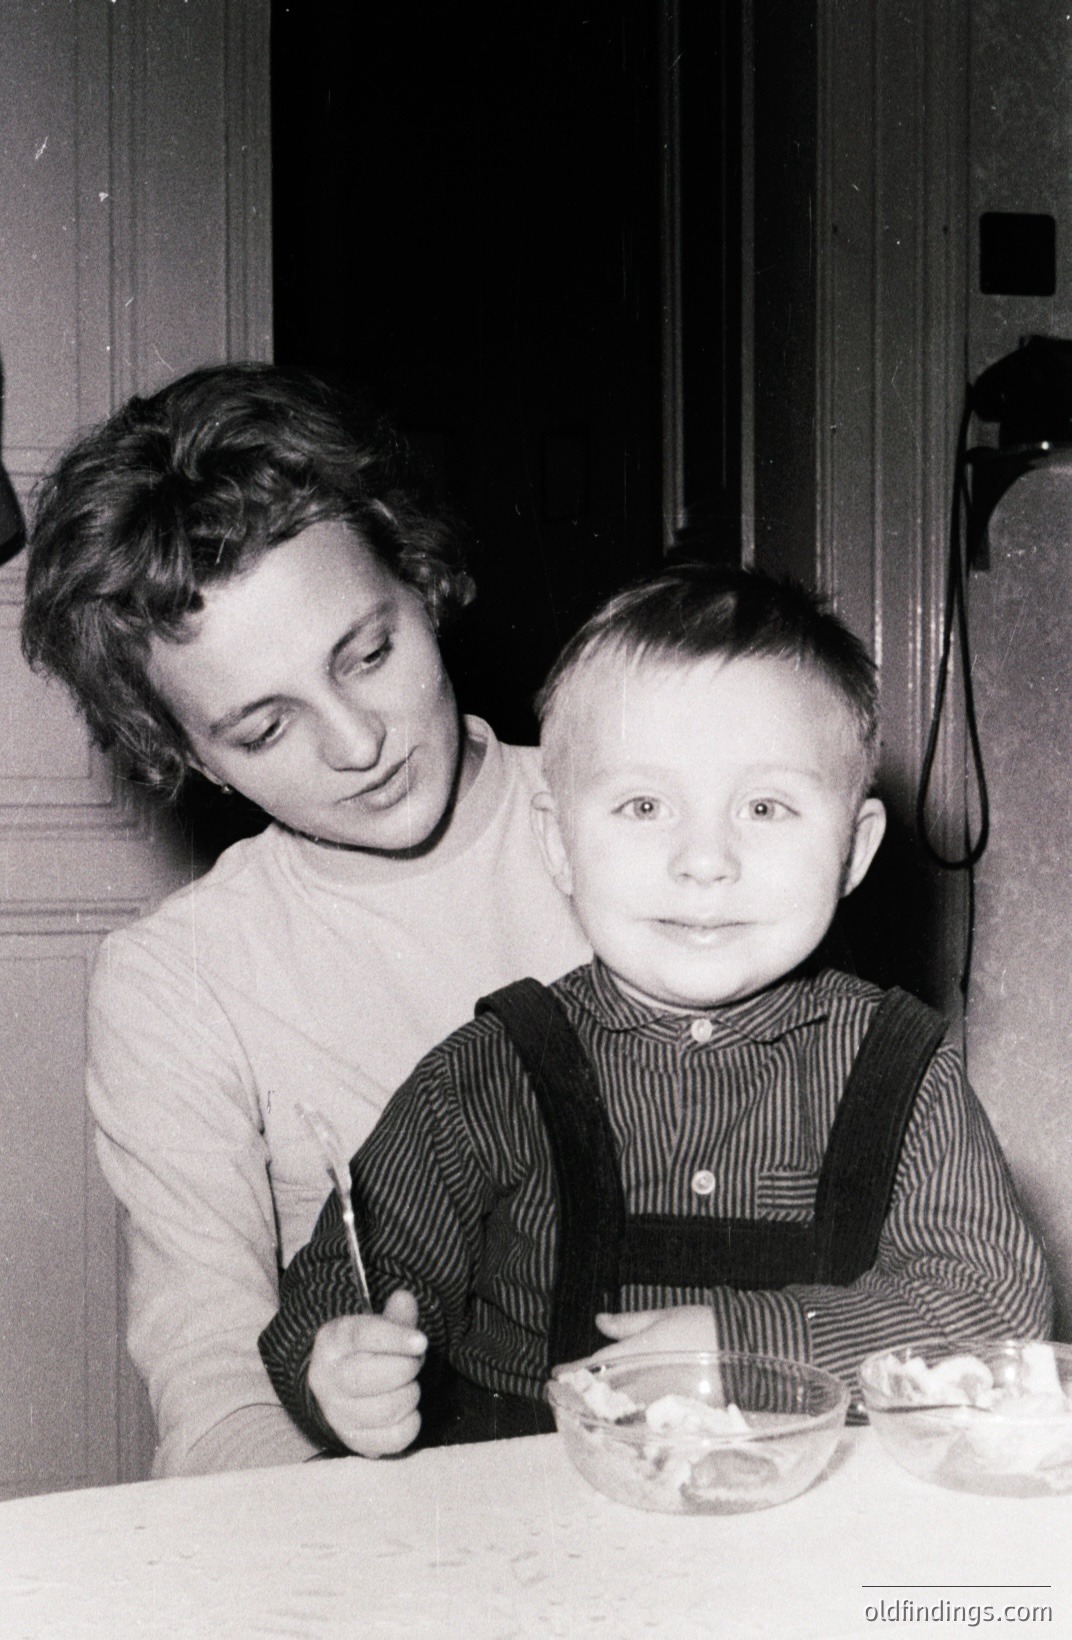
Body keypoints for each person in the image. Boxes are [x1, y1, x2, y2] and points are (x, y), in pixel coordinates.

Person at [258, 565, 1052, 1457]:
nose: (704, 859)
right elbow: (345, 1276)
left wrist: (748, 1347)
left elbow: (992, 1304)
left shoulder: (902, 1070)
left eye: (764, 805)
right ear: (559, 843)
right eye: (643, 805)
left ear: (853, 851)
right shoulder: (494, 1067)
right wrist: (339, 1366)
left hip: (809, 1517)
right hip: (531, 1526)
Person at [20, 363, 589, 1476]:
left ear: (420, 578)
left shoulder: (661, 827)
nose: (355, 742)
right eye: (263, 727)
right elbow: (219, 1397)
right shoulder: (177, 980)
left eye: (368, 654)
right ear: (184, 754)